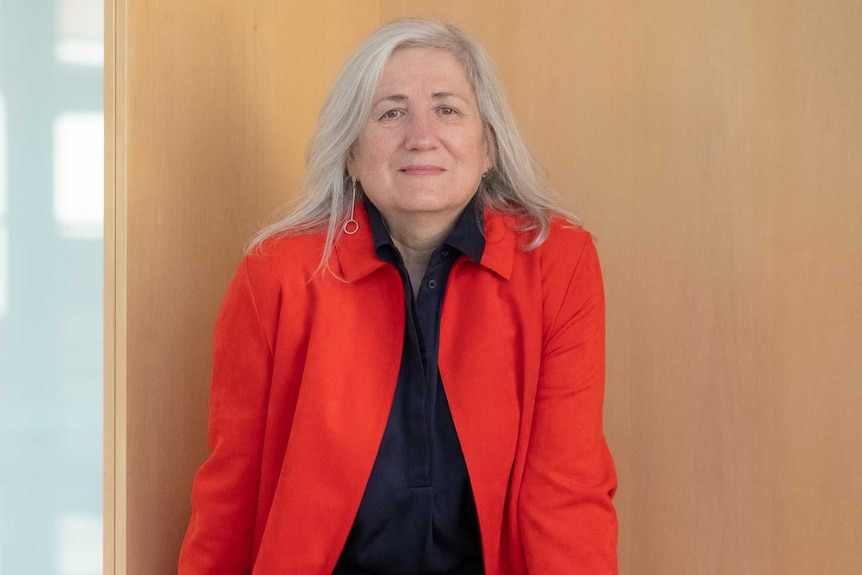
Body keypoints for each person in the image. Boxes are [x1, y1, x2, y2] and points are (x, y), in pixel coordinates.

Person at [179, 18, 617, 575]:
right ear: (351, 154)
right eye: (390, 112)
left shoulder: (558, 264)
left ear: (489, 148)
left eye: (447, 109)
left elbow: (568, 491)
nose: (421, 135)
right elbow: (229, 495)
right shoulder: (276, 276)